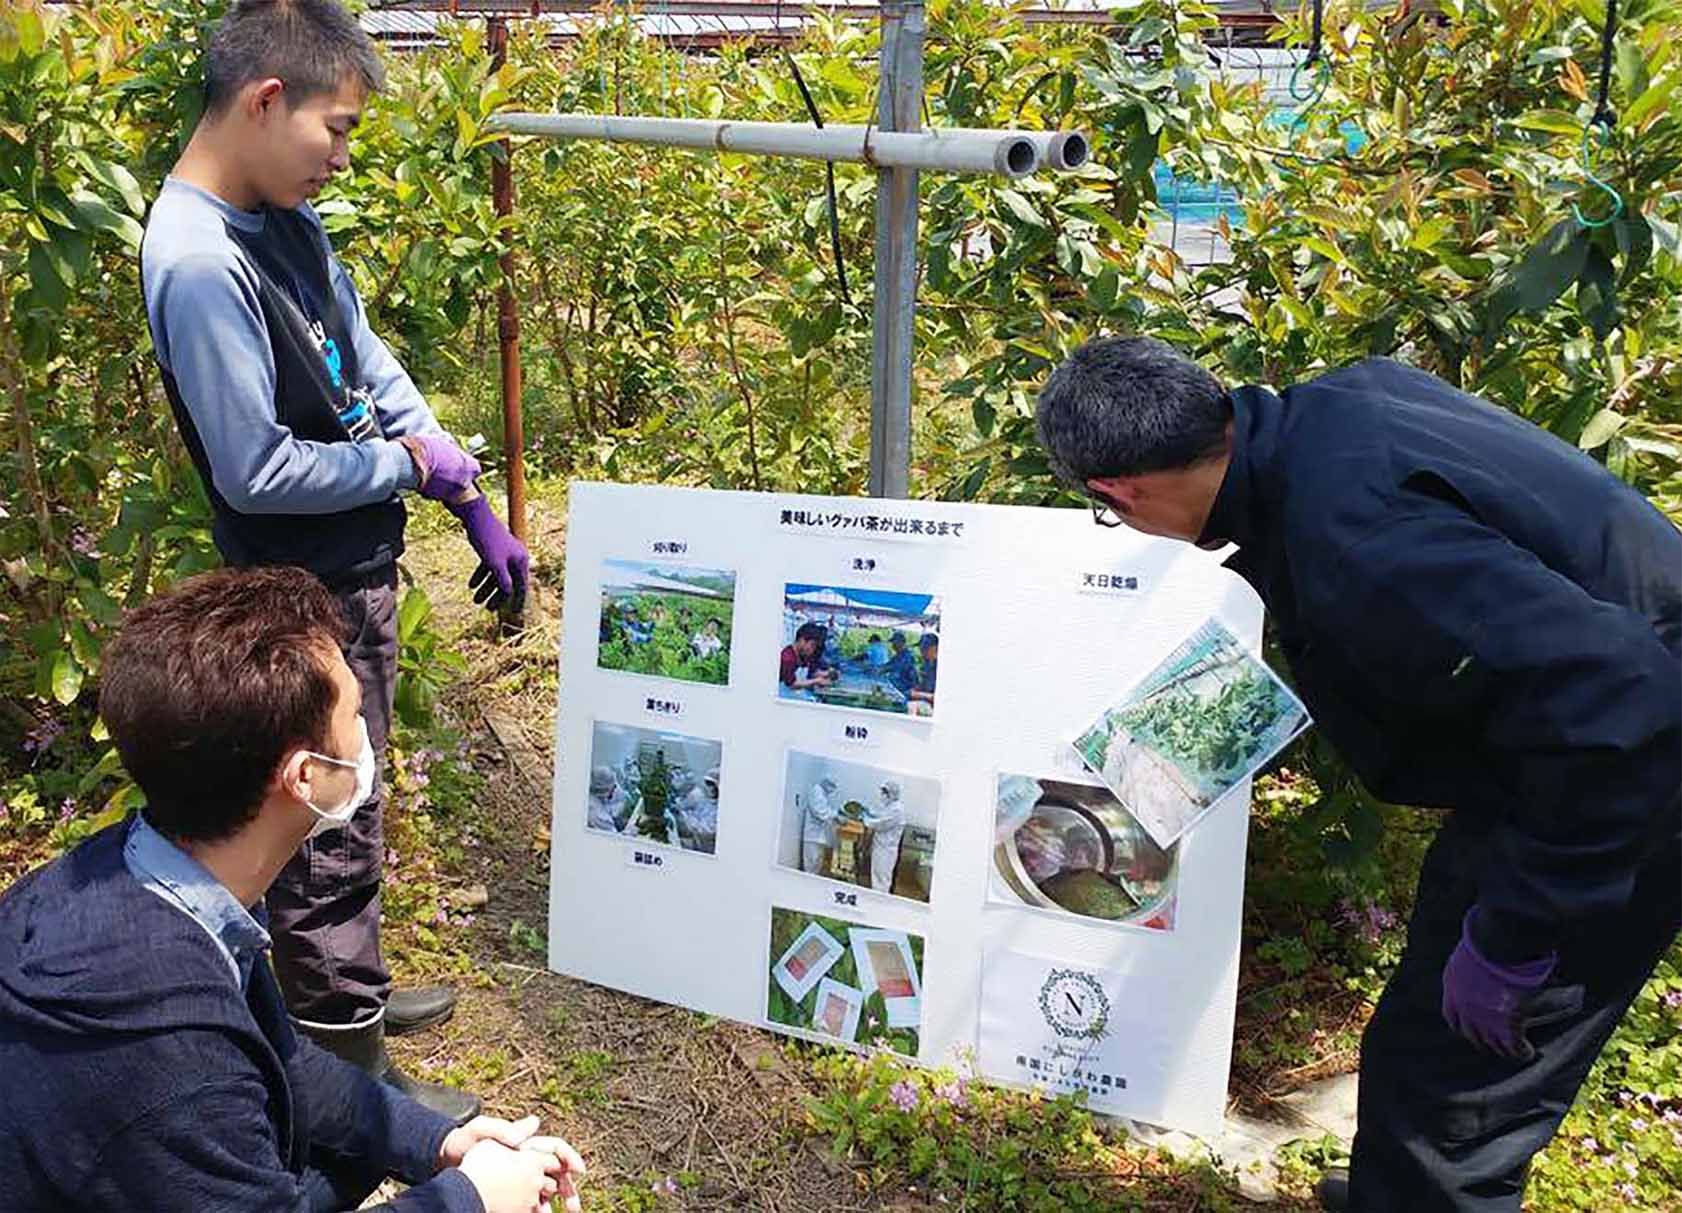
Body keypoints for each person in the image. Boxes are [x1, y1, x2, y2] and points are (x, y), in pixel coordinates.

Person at [1034, 335, 1681, 1213]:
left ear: (1121, 493)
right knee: (1418, 1040)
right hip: (1556, 741)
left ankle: (1425, 1190)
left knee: (1459, 1100)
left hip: (1622, 776)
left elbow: (1621, 702)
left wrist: (1515, 938)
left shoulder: (1354, 537)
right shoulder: (1340, 409)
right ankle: (1390, 1192)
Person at [139, 0, 532, 1121]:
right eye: (339, 128)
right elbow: (256, 468)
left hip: (351, 564)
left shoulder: (280, 219)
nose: (343, 156)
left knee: (347, 799)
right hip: (298, 579)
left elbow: (362, 357)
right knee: (321, 805)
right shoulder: (202, 258)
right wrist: (407, 466)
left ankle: (341, 993)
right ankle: (342, 1078)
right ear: (267, 102)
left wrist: (457, 479)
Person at [0, 568, 584, 1213]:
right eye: (354, 716)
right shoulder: (174, 1069)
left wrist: (442, 1142)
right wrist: (472, 1202)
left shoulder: (143, 876)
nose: (366, 737)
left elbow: (284, 1062)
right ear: (306, 777)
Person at [861, 780, 907, 894]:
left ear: (891, 794)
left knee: (881, 879)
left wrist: (865, 820)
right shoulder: (890, 806)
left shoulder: (897, 810)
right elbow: (880, 816)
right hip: (881, 847)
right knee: (877, 876)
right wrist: (868, 811)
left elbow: (881, 824)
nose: (882, 795)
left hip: (886, 850)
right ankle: (876, 900)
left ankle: (879, 904)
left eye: (884, 793)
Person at [780, 622, 836, 698]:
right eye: (812, 645)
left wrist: (828, 674)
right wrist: (817, 681)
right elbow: (792, 684)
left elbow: (811, 672)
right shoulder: (788, 657)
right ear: (802, 640)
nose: (812, 650)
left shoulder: (801, 655)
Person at [676, 767, 721, 853]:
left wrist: (684, 815)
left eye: (713, 785)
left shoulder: (719, 810)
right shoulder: (706, 801)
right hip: (695, 844)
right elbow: (695, 815)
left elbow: (705, 831)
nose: (711, 788)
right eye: (708, 784)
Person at [803, 777, 841, 874]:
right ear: (826, 784)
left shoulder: (822, 793)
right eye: (832, 787)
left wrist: (836, 814)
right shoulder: (817, 793)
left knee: (817, 861)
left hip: (818, 835)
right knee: (811, 863)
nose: (833, 790)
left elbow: (826, 810)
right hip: (812, 835)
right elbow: (821, 812)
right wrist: (836, 815)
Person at [587, 765, 629, 833]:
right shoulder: (598, 815)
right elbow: (614, 837)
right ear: (604, 790)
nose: (615, 789)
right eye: (613, 788)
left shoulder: (603, 791)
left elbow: (620, 797)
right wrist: (629, 832)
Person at [908, 634, 939, 716]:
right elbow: (923, 685)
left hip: (936, 710)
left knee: (911, 707)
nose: (921, 651)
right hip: (924, 702)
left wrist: (919, 694)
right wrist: (915, 689)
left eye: (925, 648)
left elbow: (940, 699)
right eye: (921, 648)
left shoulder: (941, 668)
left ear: (934, 648)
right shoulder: (927, 665)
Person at [882, 631, 918, 698]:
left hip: (905, 692)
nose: (892, 645)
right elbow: (886, 666)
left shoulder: (907, 656)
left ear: (901, 642)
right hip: (897, 690)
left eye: (894, 642)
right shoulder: (897, 656)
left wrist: (882, 670)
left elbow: (895, 669)